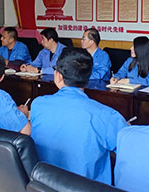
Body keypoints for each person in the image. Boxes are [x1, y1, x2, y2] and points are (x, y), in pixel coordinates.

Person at [29, 47, 127, 184]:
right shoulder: (106, 115)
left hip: (42, 188)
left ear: (58, 76)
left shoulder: (38, 105)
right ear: (88, 77)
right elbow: (130, 151)